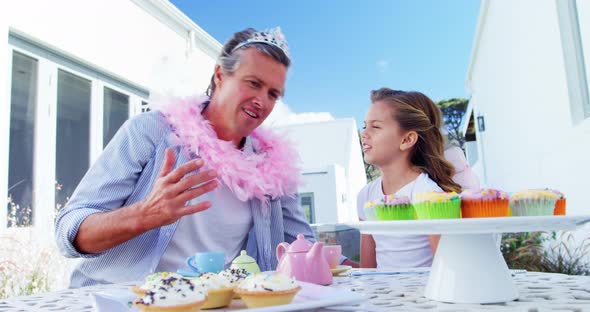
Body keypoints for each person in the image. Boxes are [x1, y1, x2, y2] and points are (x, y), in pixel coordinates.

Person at [54, 27, 316, 288]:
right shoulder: (152, 131)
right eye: (253, 83)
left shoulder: (272, 164)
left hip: (219, 302)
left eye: (273, 94)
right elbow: (69, 231)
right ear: (220, 75)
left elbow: (303, 244)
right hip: (122, 300)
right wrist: (144, 215)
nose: (261, 100)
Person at [358, 88, 462, 268]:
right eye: (364, 125)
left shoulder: (428, 195)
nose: (364, 133)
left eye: (375, 126)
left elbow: (446, 271)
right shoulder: (366, 195)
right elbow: (367, 272)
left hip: (424, 295)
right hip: (383, 295)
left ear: (407, 140)